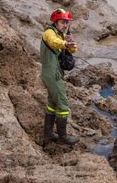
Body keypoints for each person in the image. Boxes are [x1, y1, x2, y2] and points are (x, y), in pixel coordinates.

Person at [41, 8, 78, 146]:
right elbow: (52, 42)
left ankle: (48, 135)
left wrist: (70, 43)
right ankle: (63, 137)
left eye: (67, 23)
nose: (65, 25)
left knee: (52, 104)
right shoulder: (49, 33)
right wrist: (64, 43)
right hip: (52, 74)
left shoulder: (61, 35)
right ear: (55, 22)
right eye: (63, 22)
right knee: (63, 105)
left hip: (54, 73)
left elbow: (73, 49)